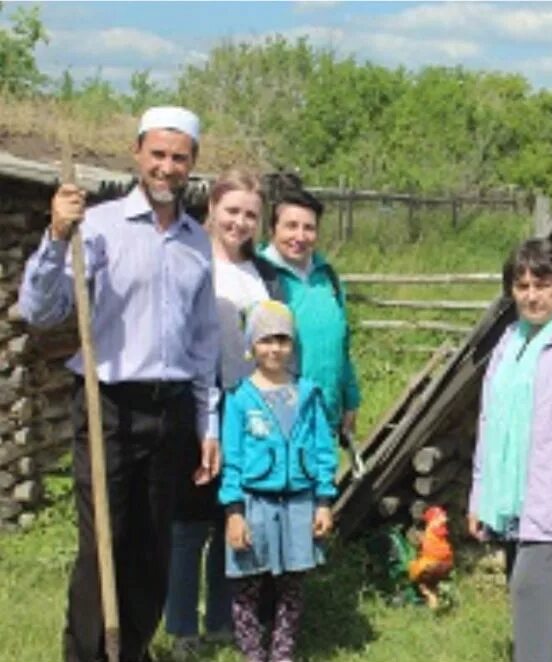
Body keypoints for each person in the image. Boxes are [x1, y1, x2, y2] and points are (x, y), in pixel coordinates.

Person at [18, 106, 220, 662]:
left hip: (171, 410)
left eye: (179, 158)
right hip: (107, 405)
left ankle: (130, 651)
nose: (166, 167)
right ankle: (86, 656)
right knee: (102, 545)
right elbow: (39, 310)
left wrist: (208, 425)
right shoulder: (96, 226)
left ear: (192, 164)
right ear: (137, 155)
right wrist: (57, 235)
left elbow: (203, 346)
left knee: (151, 550)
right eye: (157, 154)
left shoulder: (197, 243)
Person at [165, 168, 284, 658]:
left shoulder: (265, 275)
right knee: (189, 521)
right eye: (231, 210)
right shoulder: (188, 260)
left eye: (250, 215)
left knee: (230, 516)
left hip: (248, 409)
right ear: (211, 209)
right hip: (193, 404)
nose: (239, 222)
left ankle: (220, 619)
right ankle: (181, 627)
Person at [467, 239, 552, 662]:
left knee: (534, 610)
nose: (531, 294)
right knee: (540, 619)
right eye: (521, 284)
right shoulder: (510, 341)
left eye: (542, 284)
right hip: (514, 502)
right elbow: (491, 425)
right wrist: (479, 497)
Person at [220, 300, 337, 662]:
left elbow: (323, 452)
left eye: (283, 340)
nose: (275, 349)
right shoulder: (240, 399)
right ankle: (254, 654)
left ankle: (282, 653)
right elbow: (233, 460)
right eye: (266, 340)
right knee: (248, 585)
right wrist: (234, 511)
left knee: (292, 585)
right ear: (252, 345)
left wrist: (323, 501)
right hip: (255, 504)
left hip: (300, 504)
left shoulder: (308, 394)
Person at [259, 186, 360, 447]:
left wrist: (350, 400)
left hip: (324, 419)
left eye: (309, 228)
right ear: (273, 229)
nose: (300, 236)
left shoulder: (327, 278)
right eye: (291, 226)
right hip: (274, 424)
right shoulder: (259, 277)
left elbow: (342, 346)